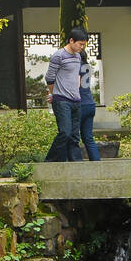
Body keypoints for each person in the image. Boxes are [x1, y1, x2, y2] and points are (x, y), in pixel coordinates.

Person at [44, 28, 88, 162]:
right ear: (71, 41)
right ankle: (50, 162)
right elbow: (49, 78)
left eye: (83, 45)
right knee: (65, 132)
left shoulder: (78, 56)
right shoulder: (59, 55)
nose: (82, 47)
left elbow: (76, 75)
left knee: (75, 136)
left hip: (76, 100)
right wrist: (55, 94)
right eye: (80, 44)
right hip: (62, 101)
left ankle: (75, 163)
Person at [78, 49, 101, 161]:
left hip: (80, 103)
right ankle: (97, 162)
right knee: (88, 137)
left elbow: (76, 84)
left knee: (73, 136)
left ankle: (76, 162)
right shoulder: (87, 66)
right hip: (90, 103)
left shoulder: (76, 67)